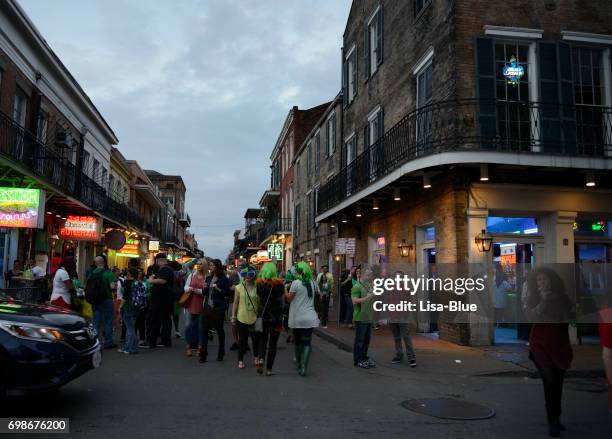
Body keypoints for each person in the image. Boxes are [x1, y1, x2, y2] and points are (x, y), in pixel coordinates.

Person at [522, 266, 573, 437]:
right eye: (539, 280)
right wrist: (543, 301)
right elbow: (532, 318)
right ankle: (552, 422)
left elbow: (568, 319)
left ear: (552, 280)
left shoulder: (562, 298)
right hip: (540, 345)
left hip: (559, 344)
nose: (542, 282)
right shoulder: (533, 299)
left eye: (544, 279)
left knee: (558, 383)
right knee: (549, 381)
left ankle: (556, 418)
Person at [287, 261, 320, 376]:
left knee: (297, 342)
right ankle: (304, 368)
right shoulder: (313, 283)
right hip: (310, 317)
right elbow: (317, 299)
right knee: (307, 343)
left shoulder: (295, 283)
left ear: (298, 271)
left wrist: (284, 289)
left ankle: (299, 362)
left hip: (297, 318)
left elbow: (289, 299)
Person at [255, 262, 285, 376]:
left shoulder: (259, 284)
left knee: (263, 341)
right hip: (276, 318)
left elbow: (257, 301)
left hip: (263, 318)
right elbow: (282, 301)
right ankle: (269, 369)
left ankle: (261, 358)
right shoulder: (279, 284)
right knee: (273, 344)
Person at [199, 259, 230, 363]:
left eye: (211, 265)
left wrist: (218, 289)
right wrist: (204, 288)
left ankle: (221, 352)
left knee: (219, 330)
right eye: (210, 265)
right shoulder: (208, 278)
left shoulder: (224, 279)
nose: (210, 267)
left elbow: (227, 293)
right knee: (204, 330)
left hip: (218, 308)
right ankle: (203, 354)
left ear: (217, 266)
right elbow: (204, 293)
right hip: (207, 307)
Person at [231, 264, 259, 369]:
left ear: (254, 275)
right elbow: (235, 303)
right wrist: (233, 316)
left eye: (250, 274)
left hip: (255, 318)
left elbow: (259, 303)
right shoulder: (238, 287)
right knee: (242, 340)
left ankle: (256, 357)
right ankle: (240, 360)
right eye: (244, 274)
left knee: (255, 339)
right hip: (241, 317)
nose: (247, 276)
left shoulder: (257, 287)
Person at [388, 270, 416, 367]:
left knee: (406, 337)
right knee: (397, 338)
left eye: (399, 277)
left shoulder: (406, 288)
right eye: (396, 277)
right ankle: (399, 355)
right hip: (392, 317)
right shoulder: (390, 288)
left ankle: (411, 357)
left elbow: (410, 302)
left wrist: (406, 314)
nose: (397, 279)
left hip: (403, 317)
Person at [147, 253, 175, 348]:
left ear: (159, 260)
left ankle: (152, 341)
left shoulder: (165, 269)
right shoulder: (168, 269)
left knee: (156, 320)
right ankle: (165, 340)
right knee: (165, 320)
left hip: (161, 300)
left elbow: (162, 281)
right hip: (165, 300)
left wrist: (151, 280)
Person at [90, 255, 118, 349]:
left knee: (96, 321)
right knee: (108, 321)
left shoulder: (92, 273)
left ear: (95, 263)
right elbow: (112, 287)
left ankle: (95, 342)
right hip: (107, 299)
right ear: (104, 263)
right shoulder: (108, 273)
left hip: (95, 300)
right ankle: (108, 342)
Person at [352, 266, 376, 369]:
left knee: (366, 340)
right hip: (360, 317)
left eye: (371, 275)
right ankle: (358, 360)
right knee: (360, 340)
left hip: (369, 316)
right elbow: (354, 301)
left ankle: (364, 357)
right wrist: (367, 297)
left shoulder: (369, 285)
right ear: (361, 275)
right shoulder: (356, 286)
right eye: (368, 275)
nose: (370, 276)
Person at [183, 259, 207, 357]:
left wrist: (197, 290)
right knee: (188, 325)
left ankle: (200, 347)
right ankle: (188, 346)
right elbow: (185, 287)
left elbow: (206, 291)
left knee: (200, 327)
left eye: (201, 264)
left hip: (201, 304)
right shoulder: (192, 275)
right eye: (197, 264)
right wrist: (190, 289)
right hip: (190, 303)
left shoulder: (207, 277)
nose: (198, 265)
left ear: (204, 266)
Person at [118, 268, 139, 354]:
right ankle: (129, 347)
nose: (126, 275)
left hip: (128, 307)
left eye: (127, 273)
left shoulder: (128, 282)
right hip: (136, 307)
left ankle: (130, 348)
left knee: (130, 329)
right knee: (131, 327)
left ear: (129, 274)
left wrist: (120, 307)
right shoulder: (138, 283)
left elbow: (125, 297)